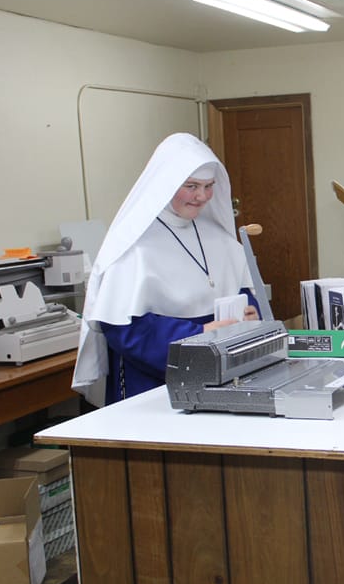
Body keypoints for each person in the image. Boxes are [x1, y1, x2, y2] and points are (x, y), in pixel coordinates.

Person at [72, 133, 262, 407]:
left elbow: (245, 293)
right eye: (191, 186)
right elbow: (123, 330)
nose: (202, 196)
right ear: (167, 183)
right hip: (152, 382)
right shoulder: (134, 246)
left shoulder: (220, 239)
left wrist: (251, 314)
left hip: (221, 376)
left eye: (209, 186)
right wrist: (199, 334)